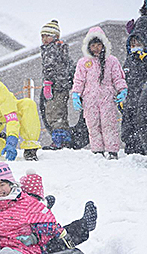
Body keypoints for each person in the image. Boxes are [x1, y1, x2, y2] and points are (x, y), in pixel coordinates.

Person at [72, 26, 128, 160]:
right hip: (89, 99)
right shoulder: (84, 62)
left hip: (107, 98)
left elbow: (118, 77)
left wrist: (122, 89)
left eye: (99, 44)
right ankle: (97, 150)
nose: (96, 48)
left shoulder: (112, 61)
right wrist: (76, 94)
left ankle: (112, 151)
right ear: (88, 46)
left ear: (104, 45)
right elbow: (79, 80)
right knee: (93, 125)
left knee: (109, 125)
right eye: (93, 45)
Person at [40, 19, 75, 150]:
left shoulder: (51, 49)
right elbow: (69, 66)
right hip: (63, 85)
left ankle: (58, 140)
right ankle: (65, 139)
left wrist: (48, 83)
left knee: (53, 113)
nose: (44, 39)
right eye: (42, 36)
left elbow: (49, 68)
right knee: (61, 112)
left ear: (55, 36)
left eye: (47, 36)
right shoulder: (61, 48)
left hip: (55, 86)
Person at [123, 0, 147, 155]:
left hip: (141, 89)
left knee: (141, 118)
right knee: (131, 118)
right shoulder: (142, 20)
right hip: (132, 90)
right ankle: (132, 148)